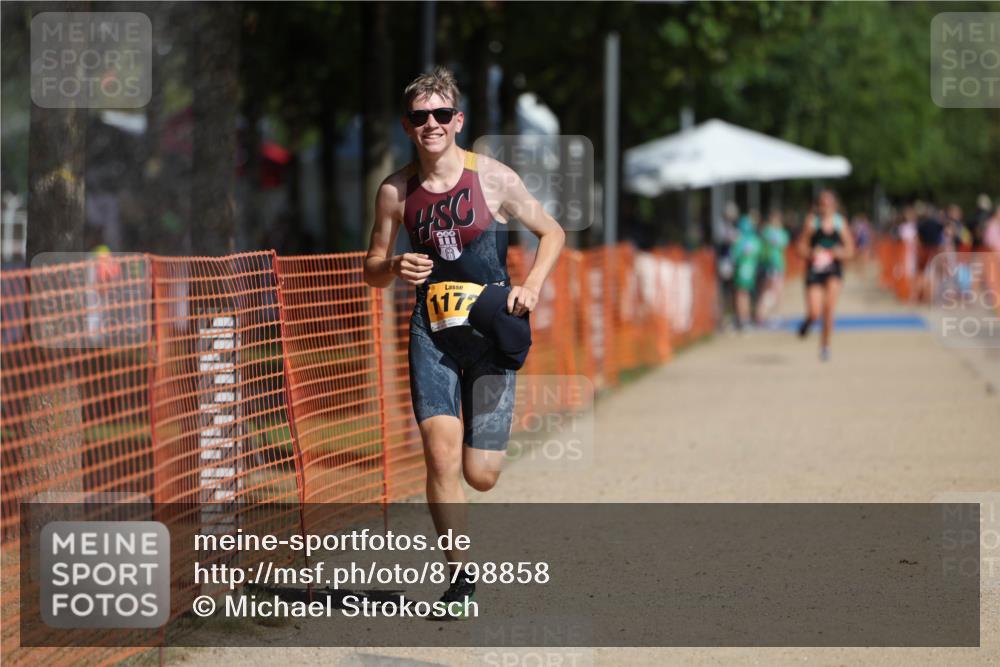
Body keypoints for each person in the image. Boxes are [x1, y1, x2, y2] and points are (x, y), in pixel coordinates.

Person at [363, 67, 565, 617]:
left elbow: (553, 232)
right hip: (432, 334)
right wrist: (393, 264)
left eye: (440, 115)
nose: (431, 125)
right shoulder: (395, 191)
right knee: (440, 457)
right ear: (408, 125)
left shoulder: (493, 178)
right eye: (419, 116)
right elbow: (372, 267)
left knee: (481, 475)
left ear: (458, 121)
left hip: (490, 335)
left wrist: (531, 285)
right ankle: (460, 579)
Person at [796, 190, 855, 361]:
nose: (825, 208)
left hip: (833, 270)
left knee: (829, 308)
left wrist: (839, 253)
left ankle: (825, 345)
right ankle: (808, 323)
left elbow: (851, 250)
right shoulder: (811, 223)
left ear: (834, 205)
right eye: (822, 204)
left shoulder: (840, 223)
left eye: (828, 204)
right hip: (814, 271)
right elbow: (800, 248)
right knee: (815, 312)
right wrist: (811, 253)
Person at [756, 211, 790, 324]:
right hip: (771, 266)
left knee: (776, 290)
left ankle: (770, 314)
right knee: (771, 290)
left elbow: (783, 245)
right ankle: (762, 314)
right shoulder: (768, 232)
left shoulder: (780, 233)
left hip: (778, 265)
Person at [731, 212, 762, 330]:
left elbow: (735, 255)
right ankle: (746, 317)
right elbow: (757, 253)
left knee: (741, 294)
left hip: (742, 271)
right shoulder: (754, 239)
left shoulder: (740, 239)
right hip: (751, 270)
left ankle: (742, 318)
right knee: (746, 295)